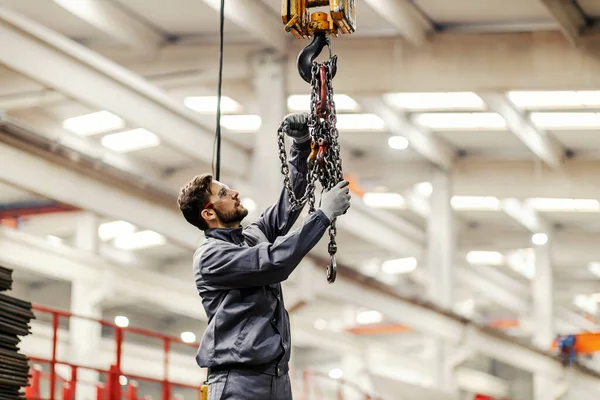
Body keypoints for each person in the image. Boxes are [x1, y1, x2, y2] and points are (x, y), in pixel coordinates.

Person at [177, 112, 351, 400]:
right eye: (223, 193)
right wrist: (323, 215)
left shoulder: (250, 238)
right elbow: (274, 263)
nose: (234, 193)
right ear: (208, 213)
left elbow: (290, 203)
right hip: (238, 383)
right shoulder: (211, 258)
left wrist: (300, 144)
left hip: (277, 379)